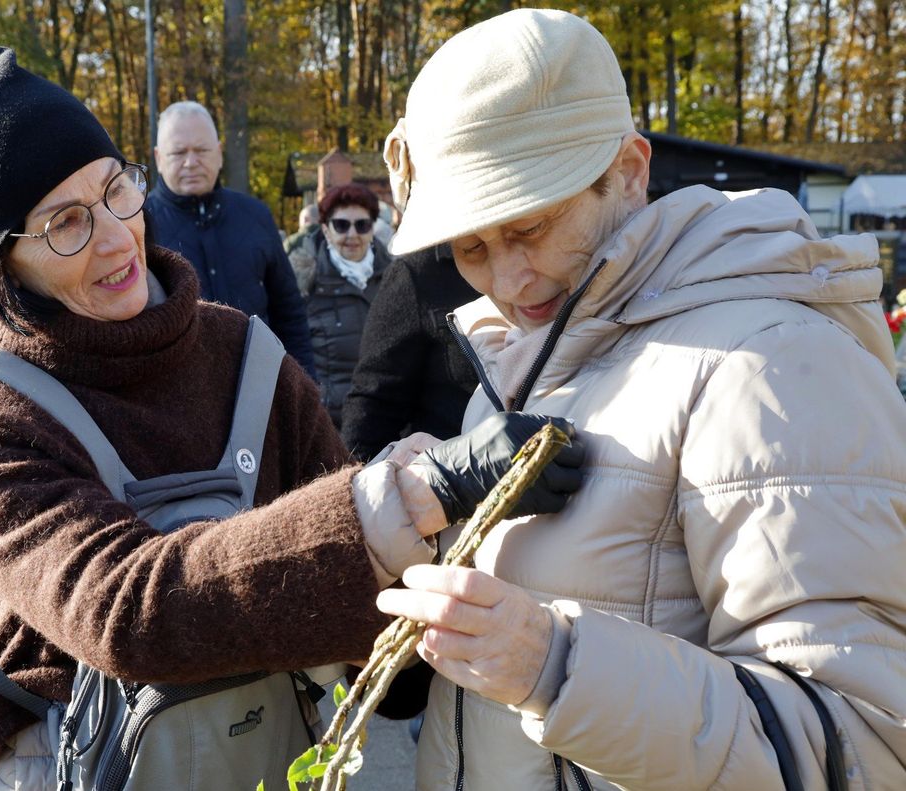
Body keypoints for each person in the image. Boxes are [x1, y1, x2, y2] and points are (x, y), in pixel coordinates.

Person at [0, 46, 584, 786]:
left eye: (116, 189)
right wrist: (412, 494)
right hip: (74, 763)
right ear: (4, 264)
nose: (118, 234)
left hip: (266, 753)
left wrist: (446, 564)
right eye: (65, 223)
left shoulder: (244, 352)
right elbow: (123, 610)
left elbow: (376, 608)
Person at [372, 9, 906, 789]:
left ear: (629, 168)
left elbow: (861, 745)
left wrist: (554, 663)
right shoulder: (531, 350)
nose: (509, 279)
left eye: (530, 225)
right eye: (471, 247)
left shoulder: (774, 365)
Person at [145, 101, 315, 377]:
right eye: (178, 152)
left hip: (260, 382)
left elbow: (289, 313)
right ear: (159, 158)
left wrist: (306, 385)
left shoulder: (256, 215)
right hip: (177, 394)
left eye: (201, 150)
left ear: (220, 154)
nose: (191, 162)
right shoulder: (138, 225)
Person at [341, 244, 480, 462]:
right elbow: (375, 400)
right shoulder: (417, 272)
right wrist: (357, 485)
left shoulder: (546, 266)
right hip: (442, 480)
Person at [288, 183, 391, 429]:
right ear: (325, 229)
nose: (352, 235)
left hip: (386, 419)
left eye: (362, 225)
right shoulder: (302, 282)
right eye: (341, 225)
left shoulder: (394, 276)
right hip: (328, 422)